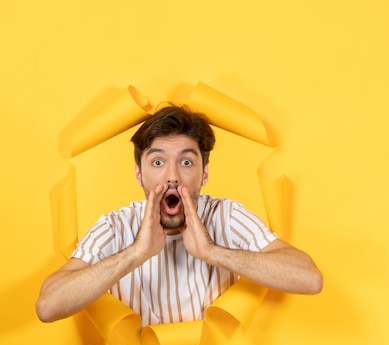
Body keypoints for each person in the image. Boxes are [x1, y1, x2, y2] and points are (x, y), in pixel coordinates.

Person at [36, 104, 323, 326]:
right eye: (158, 162)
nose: (172, 177)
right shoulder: (114, 226)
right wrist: (135, 253)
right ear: (138, 173)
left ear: (205, 172)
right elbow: (48, 306)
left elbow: (309, 278)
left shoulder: (227, 216)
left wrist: (212, 252)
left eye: (186, 161)